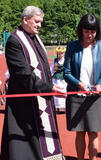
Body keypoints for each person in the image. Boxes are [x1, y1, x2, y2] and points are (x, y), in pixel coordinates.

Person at [0, 6, 66, 160]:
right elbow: (23, 74)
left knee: (40, 144)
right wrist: (49, 88)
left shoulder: (35, 38)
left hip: (41, 101)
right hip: (24, 103)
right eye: (36, 21)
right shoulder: (14, 41)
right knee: (24, 147)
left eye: (41, 22)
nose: (39, 25)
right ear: (25, 19)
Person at [63, 14, 101, 160]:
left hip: (95, 97)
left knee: (94, 132)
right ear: (80, 30)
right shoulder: (72, 46)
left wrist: (99, 85)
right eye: (86, 31)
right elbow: (66, 72)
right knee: (80, 132)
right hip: (76, 95)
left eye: (93, 31)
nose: (90, 34)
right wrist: (79, 84)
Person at [51, 46, 67, 113]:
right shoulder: (55, 60)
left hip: (63, 79)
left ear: (63, 53)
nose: (60, 54)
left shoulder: (66, 60)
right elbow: (51, 69)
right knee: (56, 92)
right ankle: (57, 108)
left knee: (63, 91)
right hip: (56, 79)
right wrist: (51, 76)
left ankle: (63, 108)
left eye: (61, 53)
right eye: (59, 53)